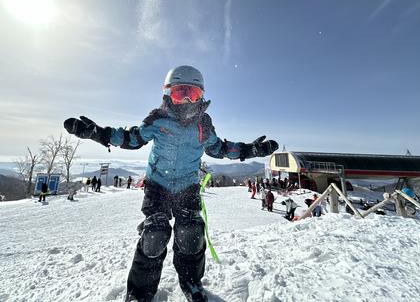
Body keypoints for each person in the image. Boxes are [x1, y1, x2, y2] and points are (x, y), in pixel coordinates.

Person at [64, 65, 278, 302]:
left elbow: (220, 148)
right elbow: (131, 138)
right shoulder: (158, 118)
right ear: (167, 94)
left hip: (187, 188)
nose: (187, 100)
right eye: (180, 93)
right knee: (155, 235)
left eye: (193, 94)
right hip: (158, 186)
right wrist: (98, 133)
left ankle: (191, 283)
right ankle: (140, 293)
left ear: (201, 96)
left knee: (191, 233)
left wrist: (251, 149)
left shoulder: (203, 124)